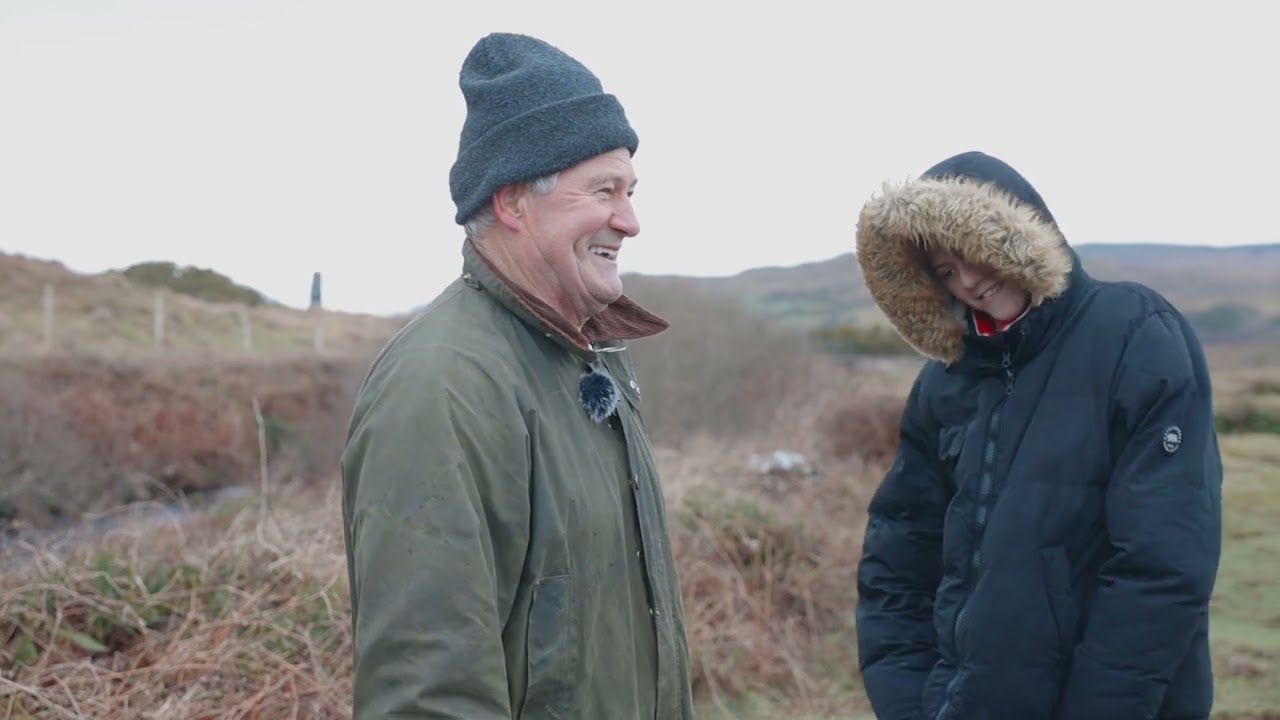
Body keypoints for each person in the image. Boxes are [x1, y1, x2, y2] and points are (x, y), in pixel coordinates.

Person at [339, 32, 694, 719]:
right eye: (604, 191)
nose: (630, 221)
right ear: (512, 203)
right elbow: (427, 695)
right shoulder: (443, 386)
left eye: (630, 191)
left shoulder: (589, 355)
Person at [852, 151, 1223, 719]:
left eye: (973, 251)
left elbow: (1162, 564)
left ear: (1019, 236)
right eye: (945, 271)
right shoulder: (945, 382)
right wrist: (910, 704)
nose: (968, 281)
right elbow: (897, 558)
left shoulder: (1131, 331)